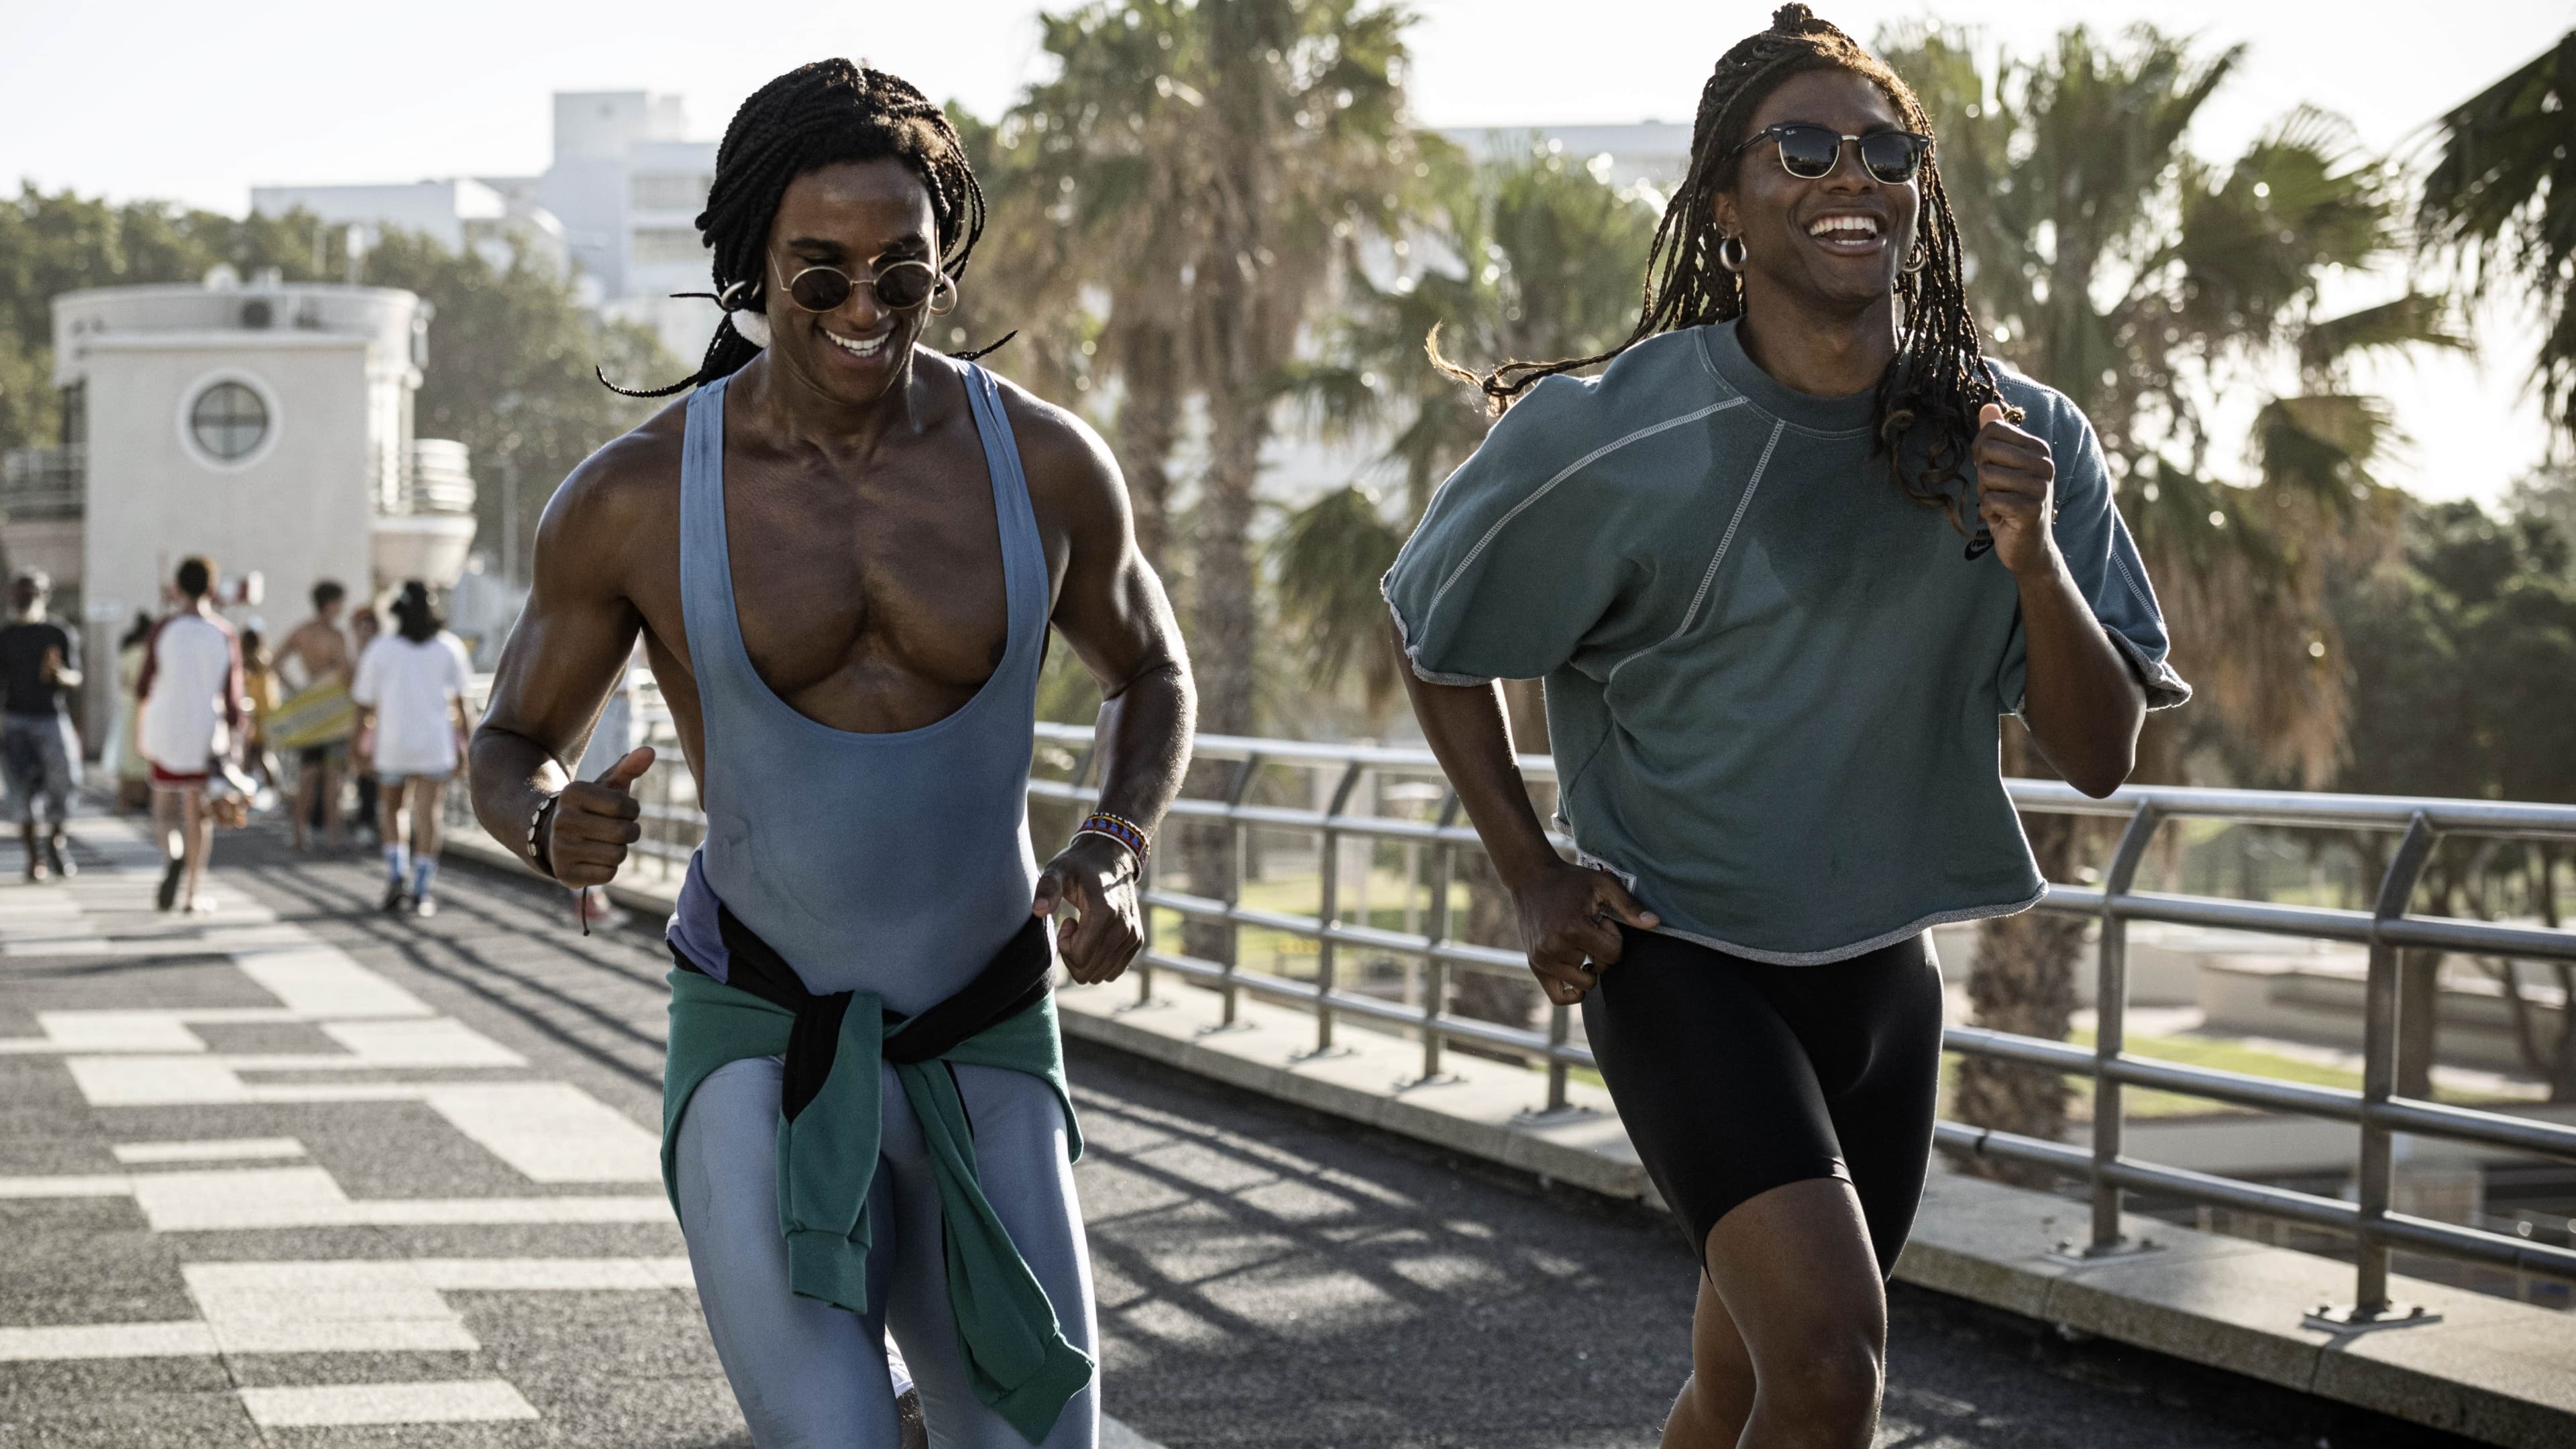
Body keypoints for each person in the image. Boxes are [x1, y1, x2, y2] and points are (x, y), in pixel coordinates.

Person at [1383, 10, 2190, 1446]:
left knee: (1749, 1386)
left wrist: (2033, 559)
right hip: (1681, 957)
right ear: (1723, 201)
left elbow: (2100, 755)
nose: (1851, 174)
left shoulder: (2025, 440)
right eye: (1802, 148)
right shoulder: (1605, 432)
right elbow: (1431, 634)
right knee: (1829, 1367)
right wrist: (1532, 873)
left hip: (1884, 978)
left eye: (1885, 150)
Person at [468, 60, 1195, 1449]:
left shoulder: (1045, 465)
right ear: (755, 265)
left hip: (987, 1026)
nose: (865, 309)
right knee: (833, 1437)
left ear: (942, 269)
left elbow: (1152, 671)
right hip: (762, 1035)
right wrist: (550, 821)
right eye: (822, 275)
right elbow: (510, 742)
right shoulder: (633, 497)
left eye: (900, 275)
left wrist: (1114, 847)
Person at [352, 582, 473, 917]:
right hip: (435, 746)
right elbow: (463, 706)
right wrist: (467, 748)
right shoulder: (449, 647)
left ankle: (396, 875)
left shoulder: (381, 649)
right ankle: (422, 889)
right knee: (429, 814)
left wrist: (356, 748)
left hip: (393, 745)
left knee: (393, 810)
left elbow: (363, 704)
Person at [137, 556, 247, 913]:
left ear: (178, 587)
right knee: (199, 816)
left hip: (166, 729)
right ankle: (193, 892)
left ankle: (174, 855)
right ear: (212, 588)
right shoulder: (224, 632)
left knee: (163, 813)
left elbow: (143, 684)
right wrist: (237, 745)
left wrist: (141, 731)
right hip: (206, 733)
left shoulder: (163, 628)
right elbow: (233, 698)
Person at [0, 571, 84, 880]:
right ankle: (34, 859)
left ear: (44, 595)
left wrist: (61, 675)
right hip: (15, 720)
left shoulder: (59, 632)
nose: (24, 599)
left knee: (65, 782)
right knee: (19, 791)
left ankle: (56, 841)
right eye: (19, 593)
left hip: (51, 718)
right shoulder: (6, 635)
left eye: (30, 593)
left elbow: (76, 676)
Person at [274, 580, 358, 851]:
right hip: (335, 712)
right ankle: (334, 837)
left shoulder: (302, 632)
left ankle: (301, 835)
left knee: (307, 775)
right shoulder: (336, 636)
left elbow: (275, 662)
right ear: (330, 604)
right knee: (333, 777)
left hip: (311, 710)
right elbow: (347, 675)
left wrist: (296, 692)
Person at [345, 602, 382, 846]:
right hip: (364, 724)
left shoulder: (377, 653)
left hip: (376, 724)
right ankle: (367, 821)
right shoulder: (356, 654)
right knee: (366, 776)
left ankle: (370, 822)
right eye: (361, 626)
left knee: (372, 776)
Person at [111, 612, 155, 814]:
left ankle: (126, 800)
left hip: (129, 707)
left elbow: (124, 681)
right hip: (143, 707)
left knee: (127, 755)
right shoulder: (147, 654)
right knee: (144, 754)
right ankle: (143, 798)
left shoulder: (130, 652)